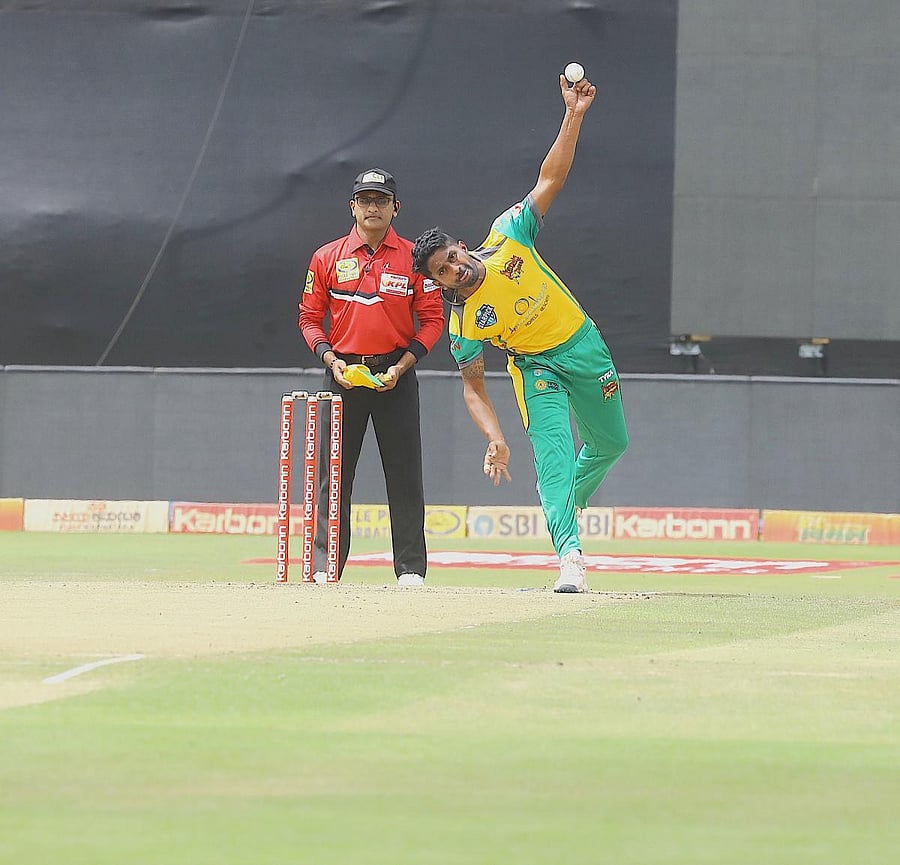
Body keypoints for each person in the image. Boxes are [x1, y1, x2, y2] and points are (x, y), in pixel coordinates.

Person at [411, 74, 628, 594]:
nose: (455, 271)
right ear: (437, 282)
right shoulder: (462, 324)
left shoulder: (509, 234)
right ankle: (569, 556)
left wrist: (573, 115)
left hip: (581, 344)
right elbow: (472, 387)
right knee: (552, 455)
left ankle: (565, 502)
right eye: (443, 272)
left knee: (611, 443)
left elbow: (549, 179)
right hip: (536, 368)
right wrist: (495, 439)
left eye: (453, 259)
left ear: (463, 247)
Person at [299, 168, 445, 586]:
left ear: (395, 208)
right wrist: (330, 360)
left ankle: (411, 569)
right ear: (353, 207)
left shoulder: (416, 258)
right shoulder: (327, 257)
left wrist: (404, 365)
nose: (373, 207)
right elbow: (309, 318)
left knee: (403, 473)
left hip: (395, 375)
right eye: (365, 200)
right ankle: (328, 566)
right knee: (334, 474)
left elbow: (432, 319)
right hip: (343, 375)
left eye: (381, 200)